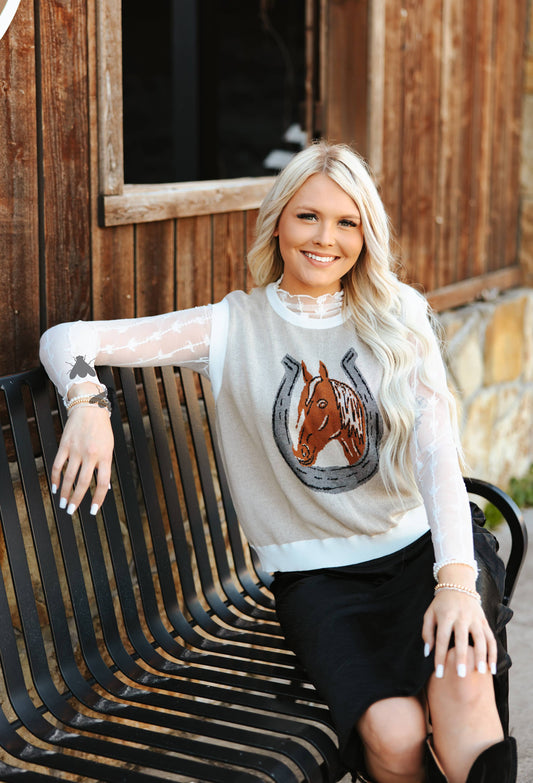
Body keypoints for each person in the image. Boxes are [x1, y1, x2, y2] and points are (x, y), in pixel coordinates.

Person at [39, 141, 516, 783]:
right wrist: (88, 403)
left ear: (366, 237)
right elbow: (67, 338)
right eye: (307, 216)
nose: (325, 239)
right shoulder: (230, 328)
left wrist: (454, 583)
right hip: (318, 580)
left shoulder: (397, 314)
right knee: (395, 734)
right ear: (278, 223)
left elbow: (436, 456)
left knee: (464, 692)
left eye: (347, 223)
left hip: (425, 553)